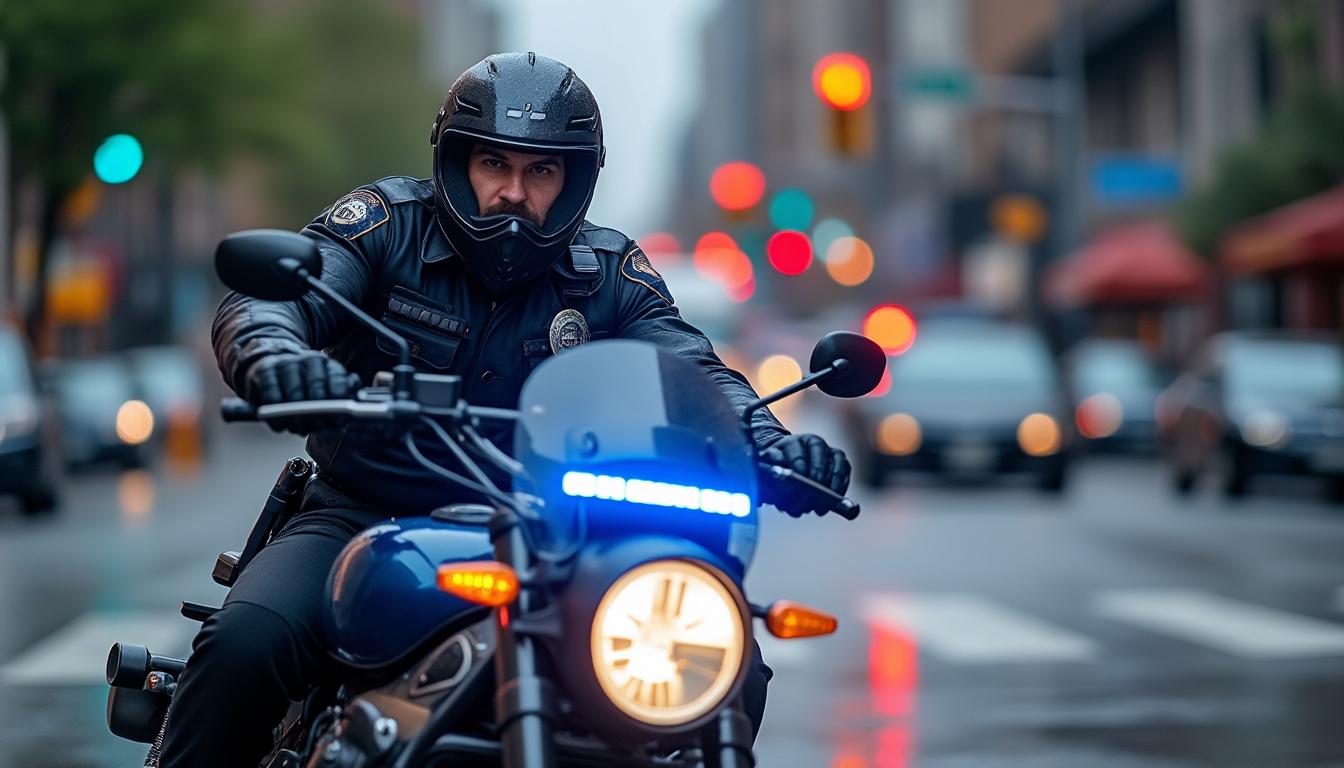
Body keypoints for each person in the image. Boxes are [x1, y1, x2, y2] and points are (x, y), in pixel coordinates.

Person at [160, 51, 851, 767]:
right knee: (245, 643)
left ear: (573, 180)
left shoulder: (609, 274)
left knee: (725, 668)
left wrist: (769, 441)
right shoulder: (384, 225)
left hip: (554, 537)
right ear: (459, 164)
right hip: (362, 512)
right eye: (495, 164)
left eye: (541, 171)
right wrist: (275, 356)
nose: (514, 192)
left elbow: (692, 368)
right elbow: (273, 299)